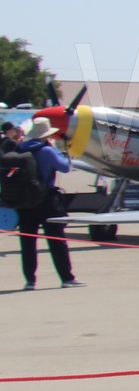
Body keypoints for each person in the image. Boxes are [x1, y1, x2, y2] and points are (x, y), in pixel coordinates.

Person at [6, 117, 81, 289]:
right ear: (46, 135)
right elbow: (66, 167)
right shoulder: (47, 151)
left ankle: (30, 281)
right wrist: (60, 152)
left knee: (28, 242)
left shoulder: (20, 148)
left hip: (24, 201)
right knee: (56, 240)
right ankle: (67, 278)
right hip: (46, 200)